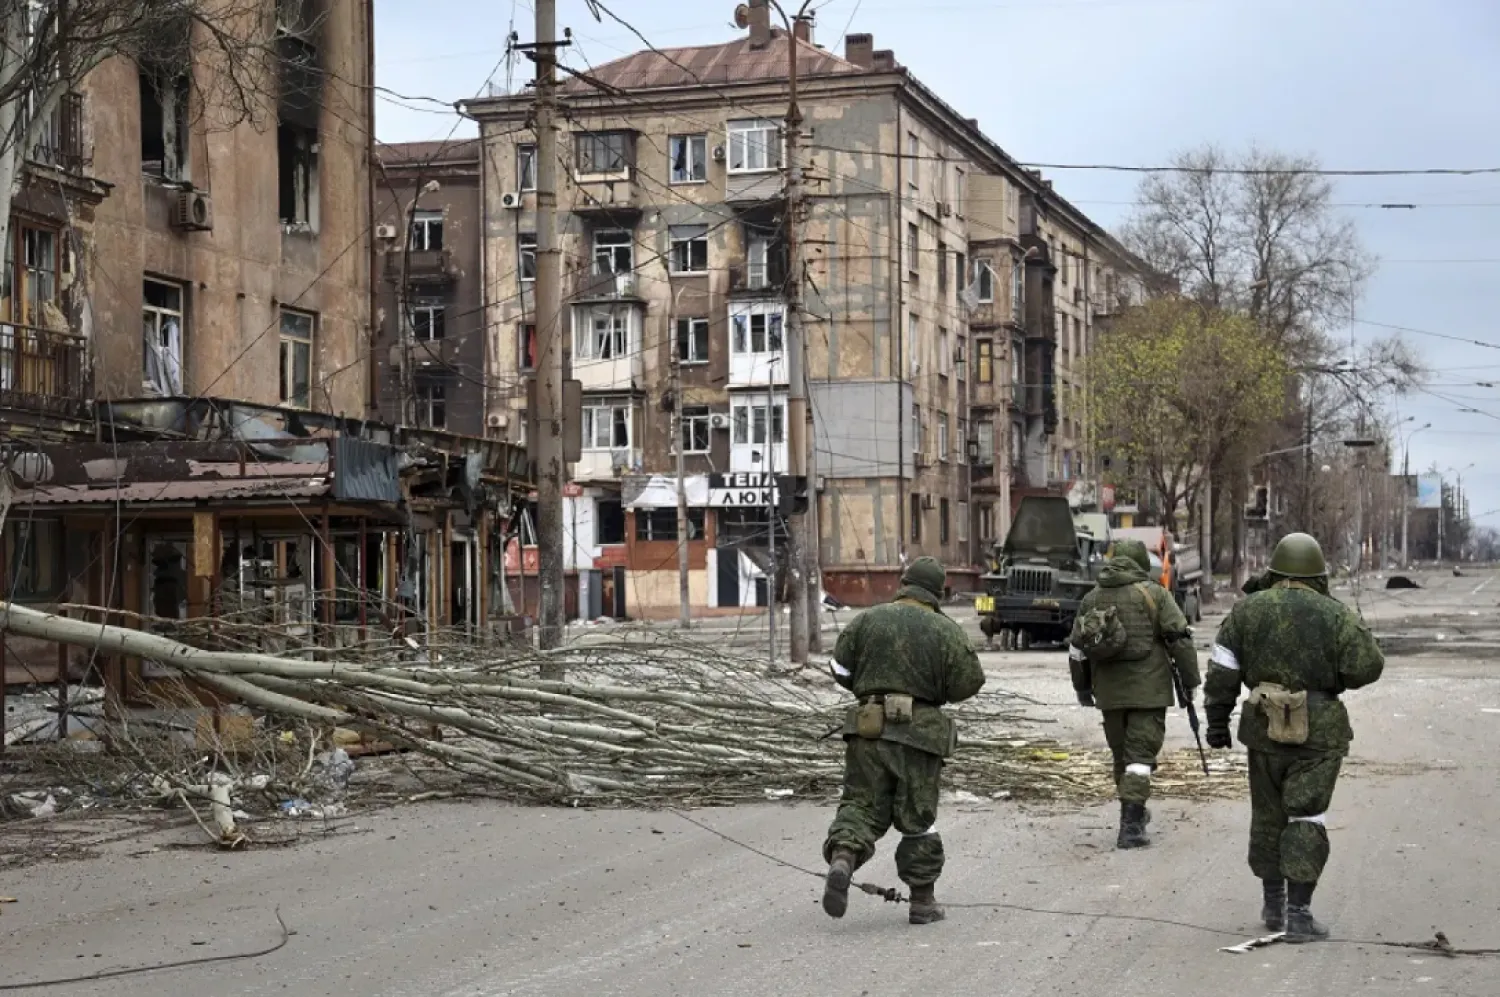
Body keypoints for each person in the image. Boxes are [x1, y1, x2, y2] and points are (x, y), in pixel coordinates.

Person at [1204, 532, 1384, 943]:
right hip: (1318, 732)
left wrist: (1217, 722)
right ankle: (1299, 914)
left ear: (1275, 569)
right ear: (1318, 573)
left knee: (1268, 814)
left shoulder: (1246, 612)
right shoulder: (1334, 614)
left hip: (1263, 729)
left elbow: (1222, 671)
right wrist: (1330, 678)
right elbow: (1368, 666)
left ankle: (1273, 904)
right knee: (1306, 815)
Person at [821, 556, 986, 925]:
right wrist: (935, 693)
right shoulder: (946, 630)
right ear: (938, 590)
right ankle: (922, 903)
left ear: (903, 582)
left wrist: (868, 690)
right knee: (918, 816)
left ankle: (844, 858)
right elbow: (970, 681)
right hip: (920, 734)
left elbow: (839, 668)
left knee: (862, 804)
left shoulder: (867, 619)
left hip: (868, 727)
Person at [1067, 538, 1200, 849]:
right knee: (1139, 759)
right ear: (1142, 564)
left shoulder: (1092, 598)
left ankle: (1134, 814)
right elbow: (1180, 639)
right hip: (1149, 691)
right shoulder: (1155, 594)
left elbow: (1077, 650)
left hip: (1109, 693)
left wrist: (1083, 688)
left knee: (1121, 756)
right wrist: (1190, 682)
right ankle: (1131, 828)